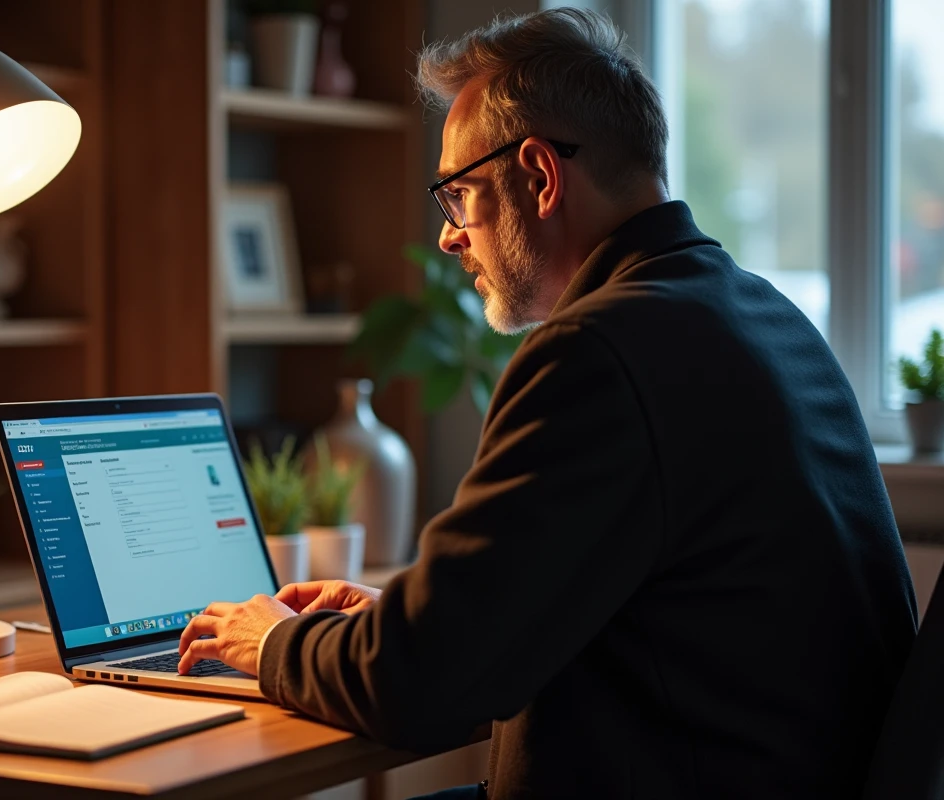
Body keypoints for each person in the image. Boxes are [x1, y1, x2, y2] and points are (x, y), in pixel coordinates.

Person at [177, 8, 918, 799]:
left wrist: (278, 642)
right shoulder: (763, 317)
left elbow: (419, 689)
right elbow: (649, 605)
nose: (448, 237)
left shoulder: (598, 352)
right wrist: (401, 620)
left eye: (458, 194)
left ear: (538, 175)